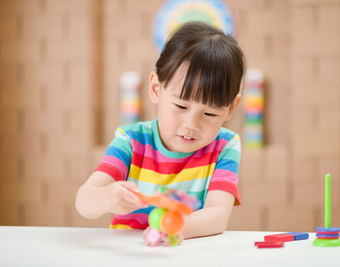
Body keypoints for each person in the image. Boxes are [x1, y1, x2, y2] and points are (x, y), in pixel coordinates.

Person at [75, 21, 245, 244]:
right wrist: (106, 197)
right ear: (156, 89)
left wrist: (174, 227)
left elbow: (218, 215)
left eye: (210, 114)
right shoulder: (132, 141)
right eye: (181, 107)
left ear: (231, 108)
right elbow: (84, 201)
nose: (191, 124)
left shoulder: (225, 146)